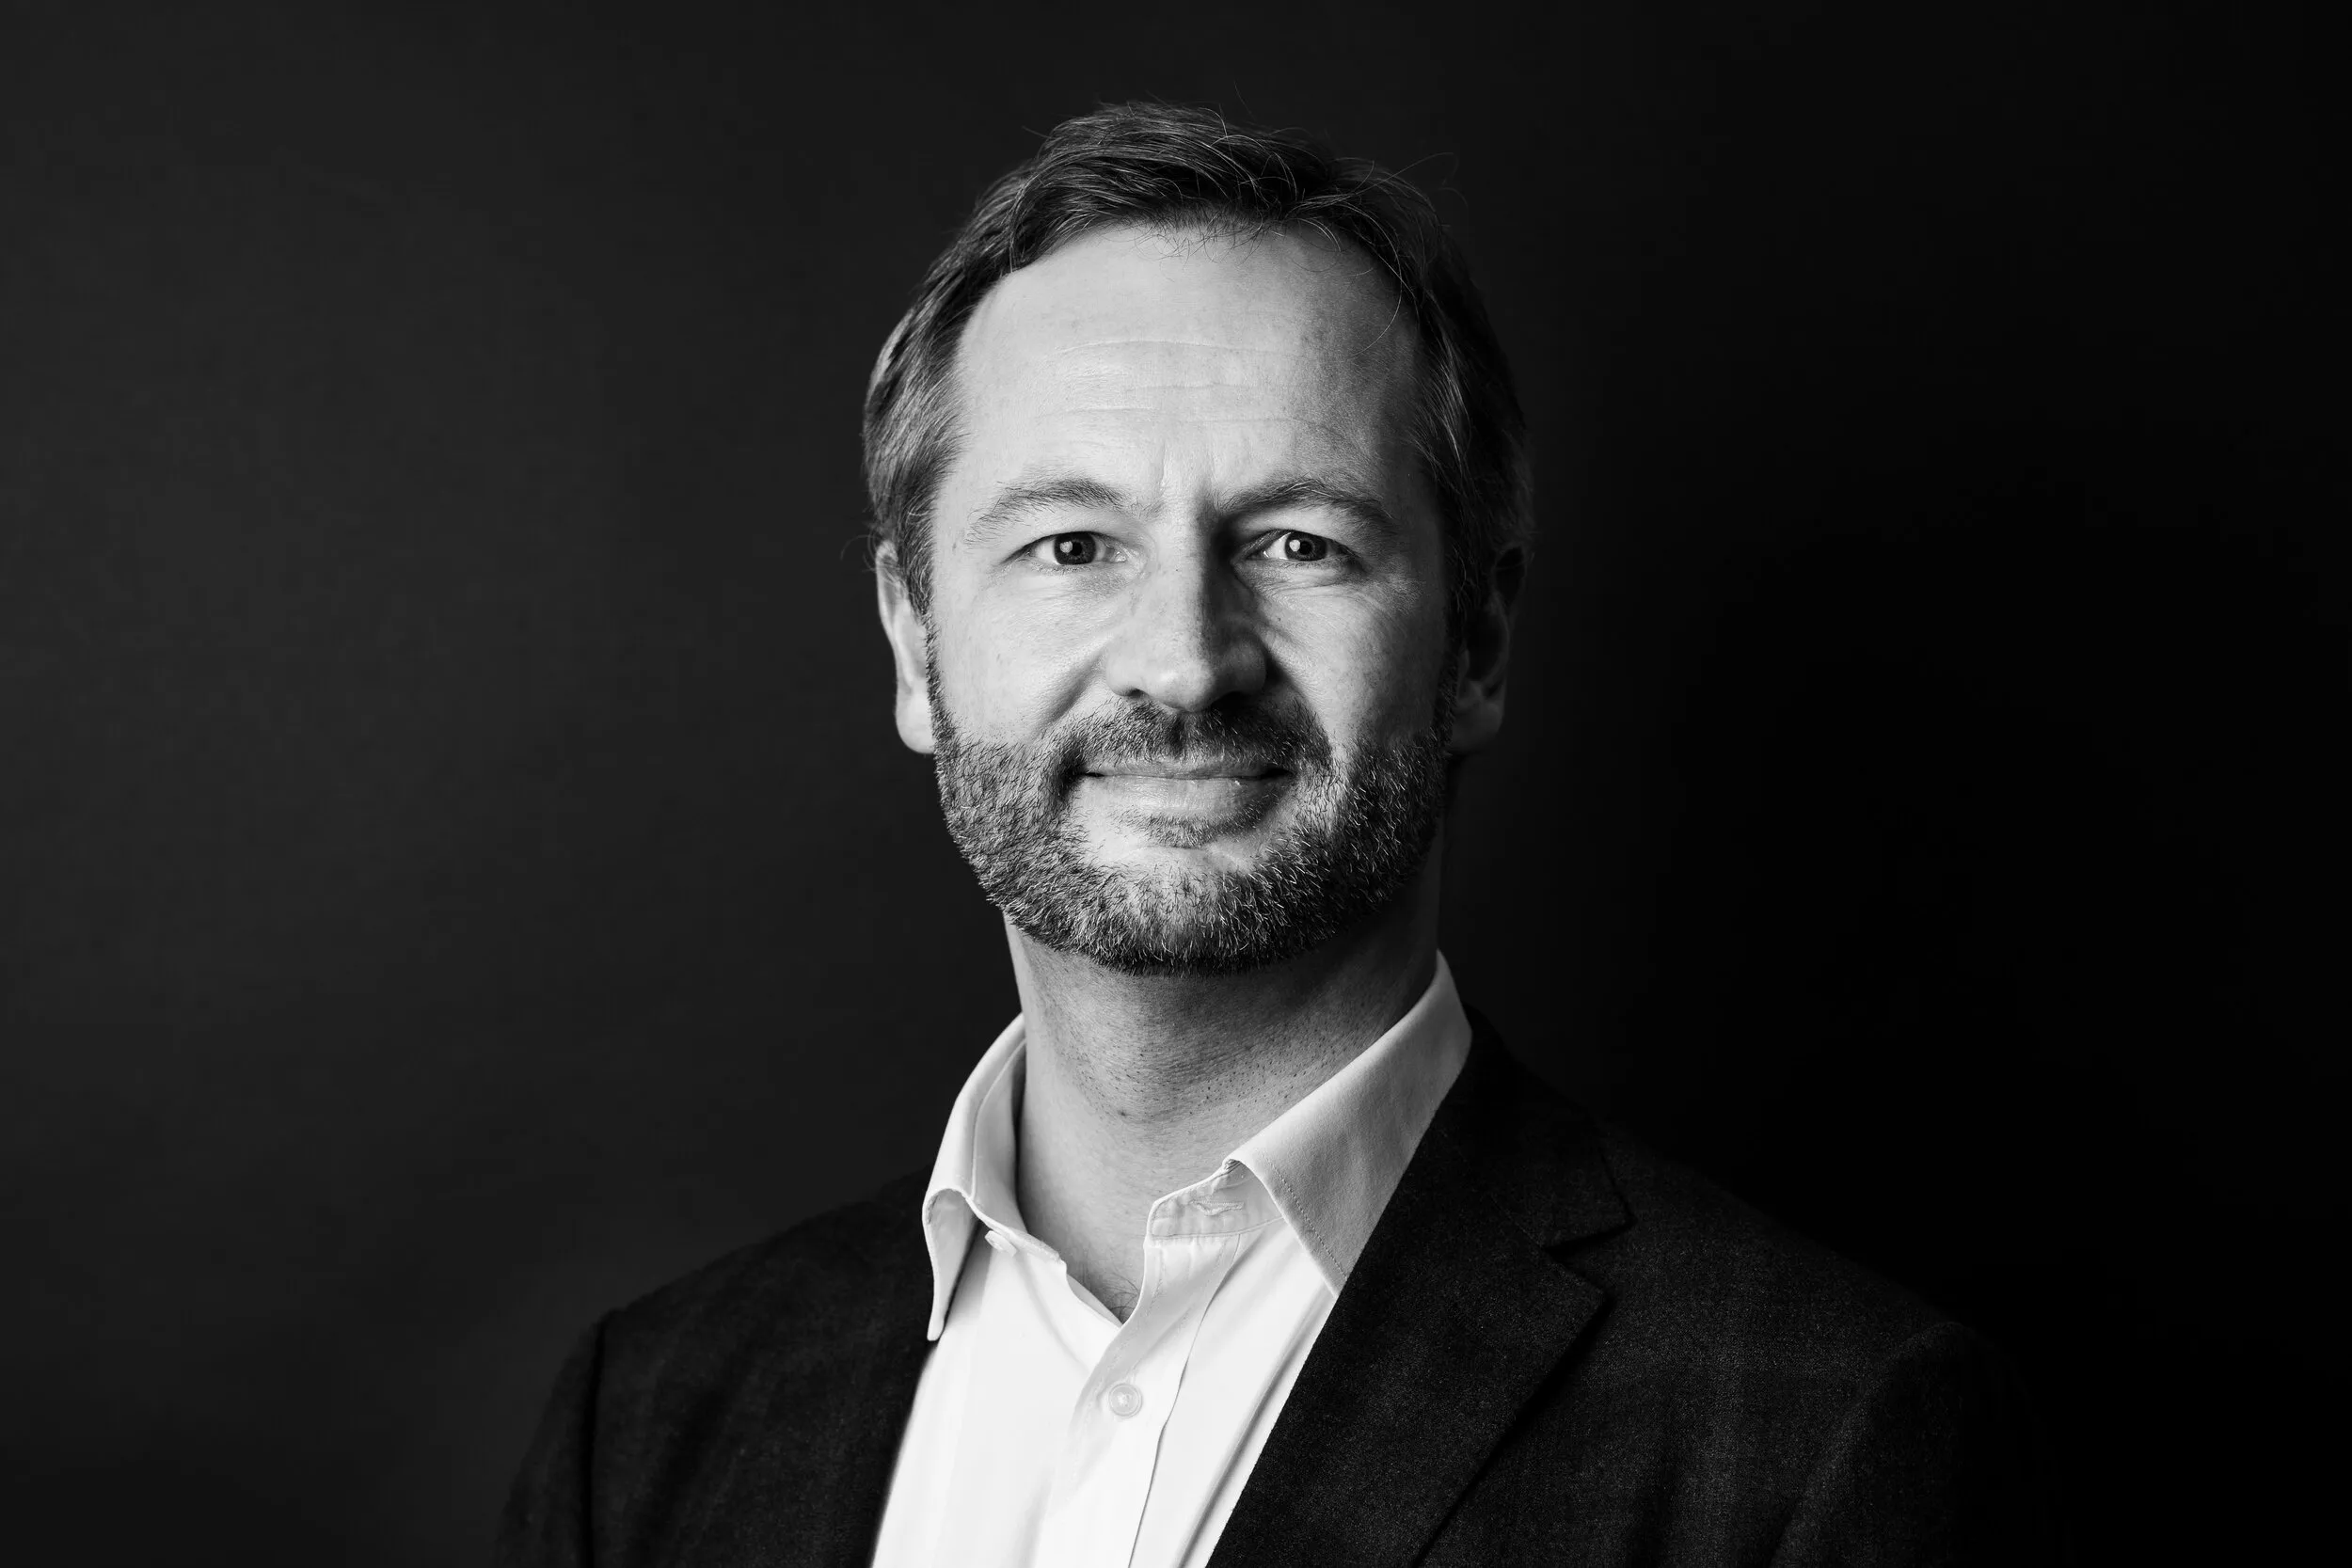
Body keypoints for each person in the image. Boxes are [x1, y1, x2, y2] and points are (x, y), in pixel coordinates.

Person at [498, 103, 2062, 1567]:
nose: (1184, 659)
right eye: (1070, 542)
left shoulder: (1824, 1446)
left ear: (1475, 643)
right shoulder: (645, 1423)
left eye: (1299, 541)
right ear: (915, 645)